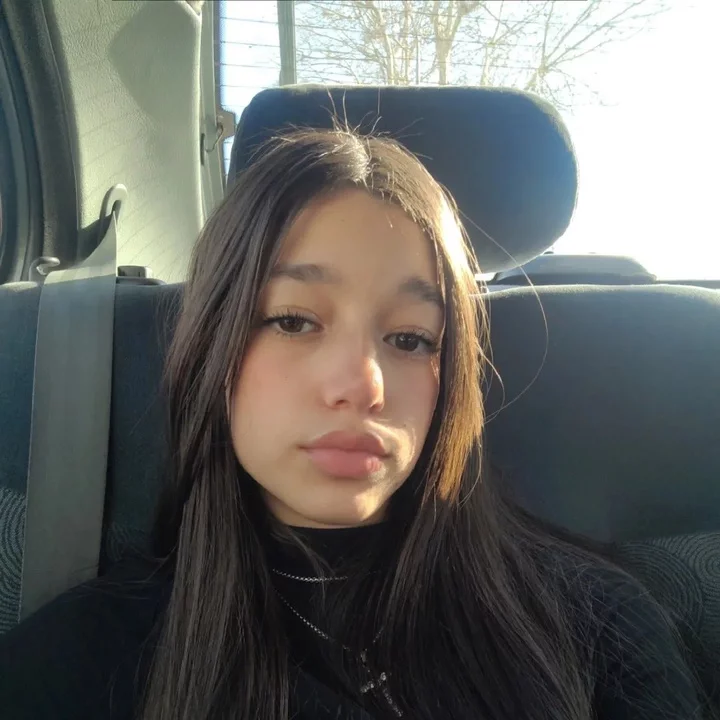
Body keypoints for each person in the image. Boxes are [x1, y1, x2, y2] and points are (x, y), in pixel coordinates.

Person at [0, 128, 708, 720]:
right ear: (212, 348)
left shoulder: (596, 628)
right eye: (293, 321)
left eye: (410, 339)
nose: (363, 387)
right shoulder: (82, 660)